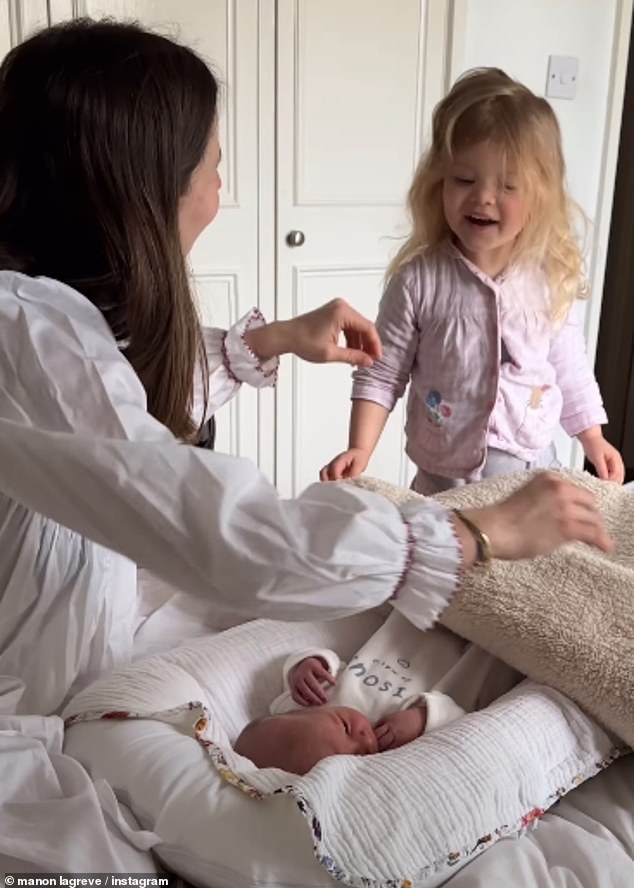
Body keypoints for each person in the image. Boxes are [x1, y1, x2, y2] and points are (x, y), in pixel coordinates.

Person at [0, 22, 612, 719]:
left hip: (80, 661)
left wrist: (278, 338)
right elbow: (208, 514)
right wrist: (468, 533)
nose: (221, 186)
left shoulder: (44, 319)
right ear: (142, 189)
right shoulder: (29, 331)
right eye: (214, 165)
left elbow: (118, 413)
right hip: (37, 704)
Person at [321, 68, 625, 495]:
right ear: (439, 181)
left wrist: (592, 436)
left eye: (508, 186)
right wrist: (360, 447)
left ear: (539, 196)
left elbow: (570, 367)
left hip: (531, 477)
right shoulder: (418, 282)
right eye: (465, 180)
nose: (483, 197)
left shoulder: (547, 280)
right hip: (442, 484)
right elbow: (383, 372)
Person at [234, 610, 515, 774]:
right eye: (358, 756)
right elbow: (463, 726)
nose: (363, 740)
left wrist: (307, 666)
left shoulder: (317, 699)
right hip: (474, 660)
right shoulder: (389, 756)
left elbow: (325, 663)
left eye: (344, 726)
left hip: (417, 626)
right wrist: (422, 719)